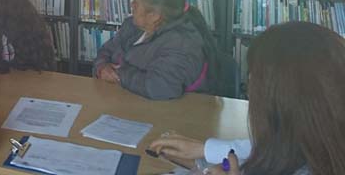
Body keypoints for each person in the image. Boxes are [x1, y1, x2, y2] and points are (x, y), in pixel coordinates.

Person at [148, 22, 345, 175]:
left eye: (253, 81)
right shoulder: (323, 140)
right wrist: (204, 154)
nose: (249, 90)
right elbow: (277, 153)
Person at [93, 0, 218, 100]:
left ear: (154, 16)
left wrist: (119, 75)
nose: (131, 5)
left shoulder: (181, 43)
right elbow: (105, 51)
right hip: (124, 101)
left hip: (171, 113)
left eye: (136, 3)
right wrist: (102, 67)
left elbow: (161, 87)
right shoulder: (131, 25)